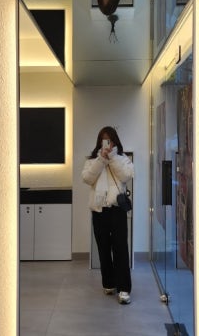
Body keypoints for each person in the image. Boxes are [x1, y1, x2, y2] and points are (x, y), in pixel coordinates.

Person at [82, 126, 134, 305]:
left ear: (115, 141)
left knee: (120, 249)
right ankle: (109, 283)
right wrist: (101, 160)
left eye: (109, 140)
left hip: (117, 210)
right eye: (104, 140)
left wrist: (112, 158)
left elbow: (126, 176)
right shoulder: (92, 160)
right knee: (103, 249)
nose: (107, 144)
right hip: (99, 211)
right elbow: (87, 178)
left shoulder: (122, 158)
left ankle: (124, 289)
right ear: (99, 142)